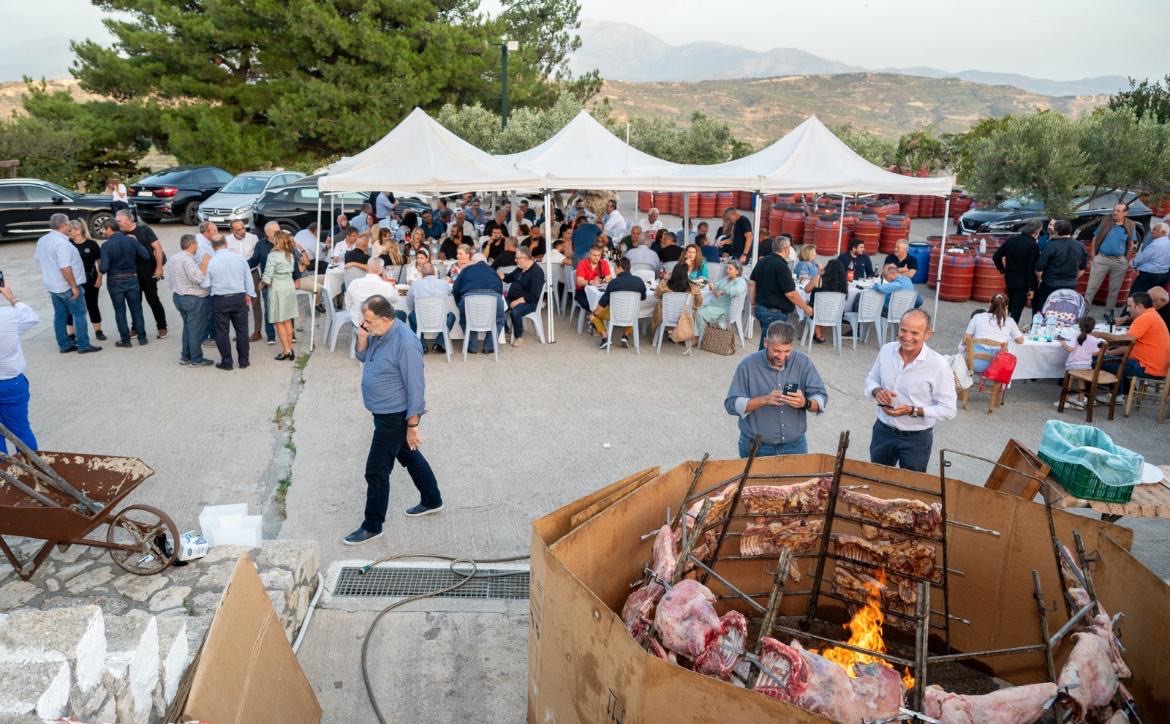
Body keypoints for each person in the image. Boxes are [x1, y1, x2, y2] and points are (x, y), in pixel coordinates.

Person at [345, 295, 444, 545]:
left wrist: (413, 425)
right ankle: (432, 499)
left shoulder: (406, 342)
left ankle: (372, 525)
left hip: (394, 416)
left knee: (376, 471)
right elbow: (362, 358)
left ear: (385, 318)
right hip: (382, 413)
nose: (364, 324)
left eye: (368, 321)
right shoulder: (378, 333)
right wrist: (362, 338)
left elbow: (416, 388)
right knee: (409, 455)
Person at [865, 309, 957, 472]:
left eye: (915, 333)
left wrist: (912, 410)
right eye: (903, 330)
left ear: (928, 334)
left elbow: (948, 410)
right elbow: (871, 379)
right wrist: (877, 391)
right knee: (877, 479)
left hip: (916, 438)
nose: (907, 337)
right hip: (883, 431)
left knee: (911, 488)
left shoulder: (938, 365)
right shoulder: (887, 350)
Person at [724, 320, 827, 456]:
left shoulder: (803, 363)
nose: (782, 356)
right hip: (757, 447)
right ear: (766, 343)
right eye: (777, 351)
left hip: (795, 446)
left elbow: (820, 397)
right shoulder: (747, 365)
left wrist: (805, 403)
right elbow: (731, 405)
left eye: (787, 351)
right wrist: (763, 400)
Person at [35, 213, 100, 354]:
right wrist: (73, 286)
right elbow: (65, 267)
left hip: (52, 286)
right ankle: (83, 344)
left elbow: (40, 260)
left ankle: (64, 344)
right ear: (63, 225)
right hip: (66, 287)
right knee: (79, 314)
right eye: (68, 224)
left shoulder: (43, 240)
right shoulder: (62, 243)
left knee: (59, 315)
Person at [202, 234, 256, 371]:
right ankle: (244, 361)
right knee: (242, 331)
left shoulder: (212, 261)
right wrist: (249, 293)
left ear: (213, 247)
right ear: (226, 243)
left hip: (220, 300)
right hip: (239, 298)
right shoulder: (239, 258)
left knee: (222, 332)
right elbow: (248, 278)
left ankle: (227, 362)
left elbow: (206, 284)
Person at [1101, 292, 1170, 394]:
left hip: (1148, 368)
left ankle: (1117, 394)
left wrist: (1099, 335)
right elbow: (1130, 345)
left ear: (1139, 306)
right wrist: (1109, 352)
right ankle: (1124, 392)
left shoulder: (1145, 318)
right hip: (1155, 368)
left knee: (1097, 361)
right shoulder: (1152, 315)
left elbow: (1125, 341)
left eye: (1129, 306)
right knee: (1108, 358)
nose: (1127, 310)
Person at [750, 238, 811, 350]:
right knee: (769, 346)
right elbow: (791, 293)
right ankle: (760, 366)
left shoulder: (762, 261)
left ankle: (762, 364)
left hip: (762, 308)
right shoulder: (782, 266)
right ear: (786, 249)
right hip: (773, 312)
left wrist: (753, 303)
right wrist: (805, 307)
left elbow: (752, 283)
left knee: (767, 342)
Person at [0, 279, 39, 454]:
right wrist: (12, 298)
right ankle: (33, 473)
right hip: (11, 382)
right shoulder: (9, 315)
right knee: (21, 430)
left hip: (10, 382)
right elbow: (31, 318)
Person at [164, 234, 214, 367]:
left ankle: (185, 356)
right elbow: (198, 278)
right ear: (191, 245)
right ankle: (196, 359)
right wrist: (204, 264)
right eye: (196, 244)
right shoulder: (188, 260)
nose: (197, 246)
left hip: (178, 297)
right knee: (196, 330)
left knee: (188, 327)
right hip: (193, 298)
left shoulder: (174, 258)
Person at [116, 210, 166, 340]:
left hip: (148, 273)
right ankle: (136, 328)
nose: (117, 223)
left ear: (128, 219)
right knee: (134, 303)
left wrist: (159, 267)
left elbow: (158, 248)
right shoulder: (120, 234)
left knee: (153, 300)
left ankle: (162, 327)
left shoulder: (144, 230)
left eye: (119, 220)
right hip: (131, 275)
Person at [99, 217, 150, 347]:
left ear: (109, 229)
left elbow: (103, 268)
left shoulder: (106, 246)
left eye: (105, 229)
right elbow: (146, 255)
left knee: (120, 311)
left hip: (115, 280)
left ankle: (125, 340)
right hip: (132, 278)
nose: (104, 232)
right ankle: (142, 338)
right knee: (136, 309)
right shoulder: (130, 240)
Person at [1084, 203, 1138, 311]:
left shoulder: (1131, 225)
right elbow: (1095, 238)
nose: (1115, 212)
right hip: (1102, 258)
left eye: (1118, 211)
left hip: (1119, 261)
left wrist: (1126, 260)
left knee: (1114, 289)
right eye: (1114, 210)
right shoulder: (1106, 221)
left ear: (1125, 213)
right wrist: (1093, 256)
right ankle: (1084, 309)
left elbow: (1131, 243)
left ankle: (1109, 312)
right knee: (1092, 286)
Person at [452, 252, 504, 354]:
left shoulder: (466, 269)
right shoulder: (492, 270)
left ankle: (472, 346)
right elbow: (500, 288)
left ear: (473, 261)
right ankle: (489, 346)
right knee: (498, 319)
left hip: (469, 298)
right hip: (493, 298)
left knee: (466, 319)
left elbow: (456, 288)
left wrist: (459, 303)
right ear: (485, 262)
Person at [260, 230, 300, 360]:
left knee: (278, 321)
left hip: (278, 288)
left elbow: (267, 276)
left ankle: (287, 350)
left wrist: (260, 285)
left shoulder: (273, 256)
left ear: (277, 241)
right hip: (289, 287)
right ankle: (290, 348)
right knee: (287, 320)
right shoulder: (290, 255)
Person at [992, 220, 1042, 323]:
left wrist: (1002, 270)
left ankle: (1001, 324)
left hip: (1009, 277)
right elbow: (1031, 268)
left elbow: (996, 256)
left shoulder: (1012, 240)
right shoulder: (1033, 245)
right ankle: (1010, 329)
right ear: (1036, 232)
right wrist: (1032, 287)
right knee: (1017, 309)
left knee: (1008, 305)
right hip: (1023, 282)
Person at [64, 219, 106, 342]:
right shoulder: (68, 244)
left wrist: (99, 278)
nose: (68, 233)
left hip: (90, 279)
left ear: (77, 231)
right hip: (73, 281)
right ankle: (71, 334)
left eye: (69, 231)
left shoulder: (91, 244)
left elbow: (100, 262)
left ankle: (98, 331)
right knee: (71, 307)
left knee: (92, 305)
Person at [1034, 219, 1087, 314]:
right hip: (1070, 285)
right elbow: (1082, 269)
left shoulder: (1051, 245)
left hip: (1050, 284)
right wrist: (1073, 278)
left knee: (1045, 310)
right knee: (1066, 311)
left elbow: (1039, 267)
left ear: (1056, 231)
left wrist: (1040, 279)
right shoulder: (1080, 246)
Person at [591, 257, 646, 349]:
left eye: (615, 267)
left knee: (593, 316)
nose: (614, 270)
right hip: (630, 314)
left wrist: (594, 313)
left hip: (614, 314)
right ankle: (625, 335)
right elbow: (643, 297)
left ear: (620, 268)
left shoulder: (613, 283)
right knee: (634, 313)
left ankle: (605, 338)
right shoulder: (639, 281)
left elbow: (603, 303)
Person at [961, 294, 1023, 373]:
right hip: (996, 367)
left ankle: (965, 379)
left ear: (990, 304)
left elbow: (965, 340)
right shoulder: (1009, 322)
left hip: (973, 363)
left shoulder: (977, 317)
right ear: (1006, 307)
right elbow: (1020, 340)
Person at [404, 262, 454, 354]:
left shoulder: (415, 285)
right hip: (440, 319)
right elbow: (448, 296)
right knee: (451, 317)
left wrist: (415, 310)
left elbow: (409, 304)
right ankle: (439, 343)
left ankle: (422, 345)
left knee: (411, 316)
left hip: (421, 319)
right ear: (434, 273)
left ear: (421, 274)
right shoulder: (444, 284)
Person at [501, 246, 545, 347]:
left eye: (517, 258)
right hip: (513, 297)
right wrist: (502, 275)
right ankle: (505, 328)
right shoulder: (520, 268)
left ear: (525, 258)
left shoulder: (536, 272)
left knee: (516, 311)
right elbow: (509, 278)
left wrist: (518, 301)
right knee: (498, 304)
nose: (515, 260)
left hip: (529, 302)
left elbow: (534, 295)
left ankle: (518, 337)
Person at [1057, 316, 1102, 410]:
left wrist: (1063, 343)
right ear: (1093, 328)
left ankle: (1065, 400)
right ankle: (1080, 402)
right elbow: (1096, 352)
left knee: (1069, 381)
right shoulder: (1094, 339)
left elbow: (1070, 349)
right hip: (1086, 366)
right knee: (1081, 381)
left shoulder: (1076, 335)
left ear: (1079, 326)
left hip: (1073, 365)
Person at [696, 259, 747, 338]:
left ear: (737, 271)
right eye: (727, 268)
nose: (727, 271)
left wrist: (722, 292)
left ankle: (700, 336)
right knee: (695, 308)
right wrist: (712, 285)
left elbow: (737, 290)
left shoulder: (741, 281)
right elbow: (717, 284)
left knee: (700, 313)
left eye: (730, 269)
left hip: (724, 308)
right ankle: (699, 334)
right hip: (714, 304)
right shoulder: (726, 278)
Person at [248, 222, 280, 345]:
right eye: (274, 231)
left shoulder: (284, 242)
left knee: (286, 308)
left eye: (278, 229)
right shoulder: (260, 245)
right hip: (268, 283)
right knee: (269, 309)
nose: (278, 232)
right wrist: (239, 265)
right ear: (267, 233)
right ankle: (271, 335)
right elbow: (253, 261)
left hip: (284, 282)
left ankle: (291, 333)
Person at [806, 258, 849, 343]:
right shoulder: (843, 284)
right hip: (833, 313)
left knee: (816, 307)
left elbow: (806, 290)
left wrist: (819, 273)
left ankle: (817, 334)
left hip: (817, 312)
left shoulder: (818, 279)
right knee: (827, 309)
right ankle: (818, 334)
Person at [1130, 222, 1170, 294]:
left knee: (1137, 294)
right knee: (1150, 296)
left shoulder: (1156, 244)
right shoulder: (1168, 242)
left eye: (1155, 230)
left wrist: (1133, 264)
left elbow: (1142, 258)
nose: (1152, 231)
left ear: (1163, 232)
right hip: (1163, 274)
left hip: (1149, 275)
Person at [574, 246, 613, 315]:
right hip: (582, 291)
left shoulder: (603, 263)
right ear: (589, 255)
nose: (596, 258)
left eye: (599, 255)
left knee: (609, 303)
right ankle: (596, 321)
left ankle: (595, 320)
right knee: (597, 307)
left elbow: (609, 277)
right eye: (594, 255)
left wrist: (606, 279)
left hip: (599, 290)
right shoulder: (582, 264)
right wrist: (591, 282)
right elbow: (579, 282)